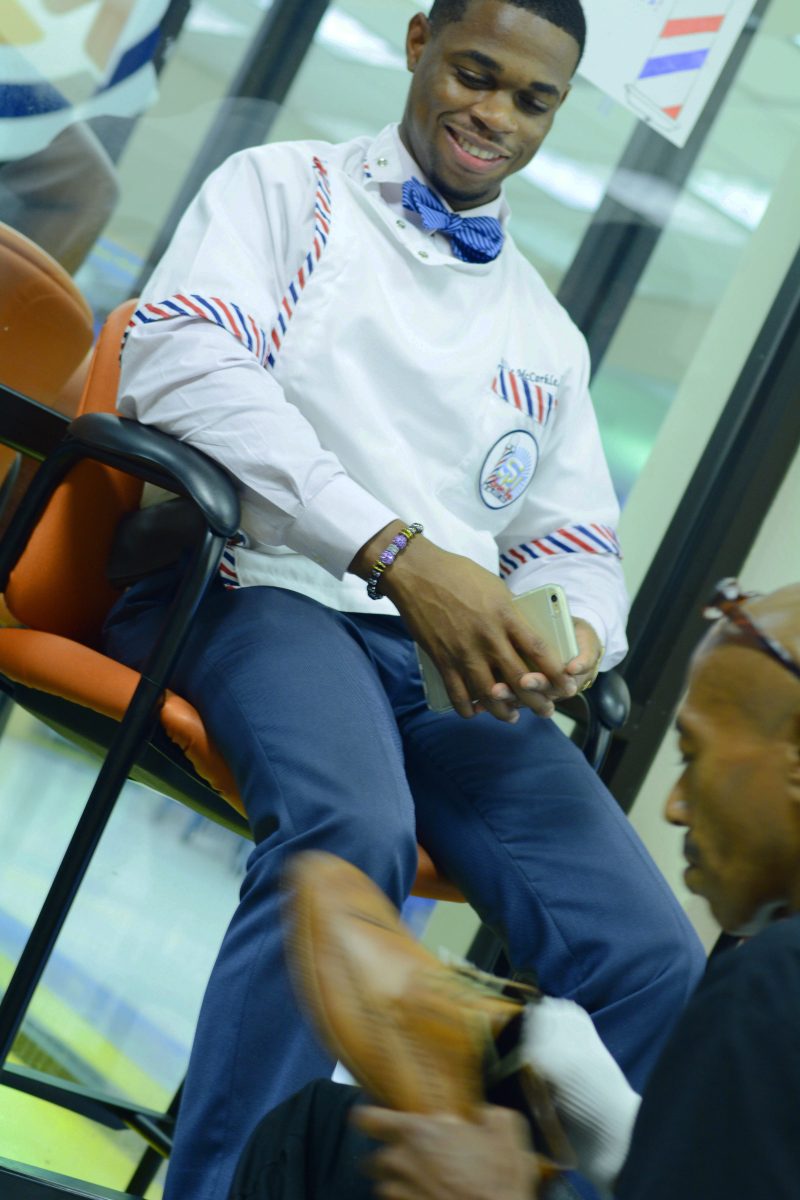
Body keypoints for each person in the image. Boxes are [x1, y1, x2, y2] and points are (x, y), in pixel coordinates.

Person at [104, 1, 704, 1196]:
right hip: (253, 587)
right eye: (473, 74)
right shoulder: (283, 190)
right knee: (351, 838)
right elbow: (180, 361)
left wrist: (567, 637)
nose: (492, 115)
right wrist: (396, 551)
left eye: (530, 100)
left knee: (651, 960)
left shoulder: (541, 329)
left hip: (433, 670)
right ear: (419, 40)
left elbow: (574, 538)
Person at [264, 579, 800, 1200]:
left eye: (693, 753)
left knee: (321, 1142)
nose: (676, 807)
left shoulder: (773, 988)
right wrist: (593, 1104)